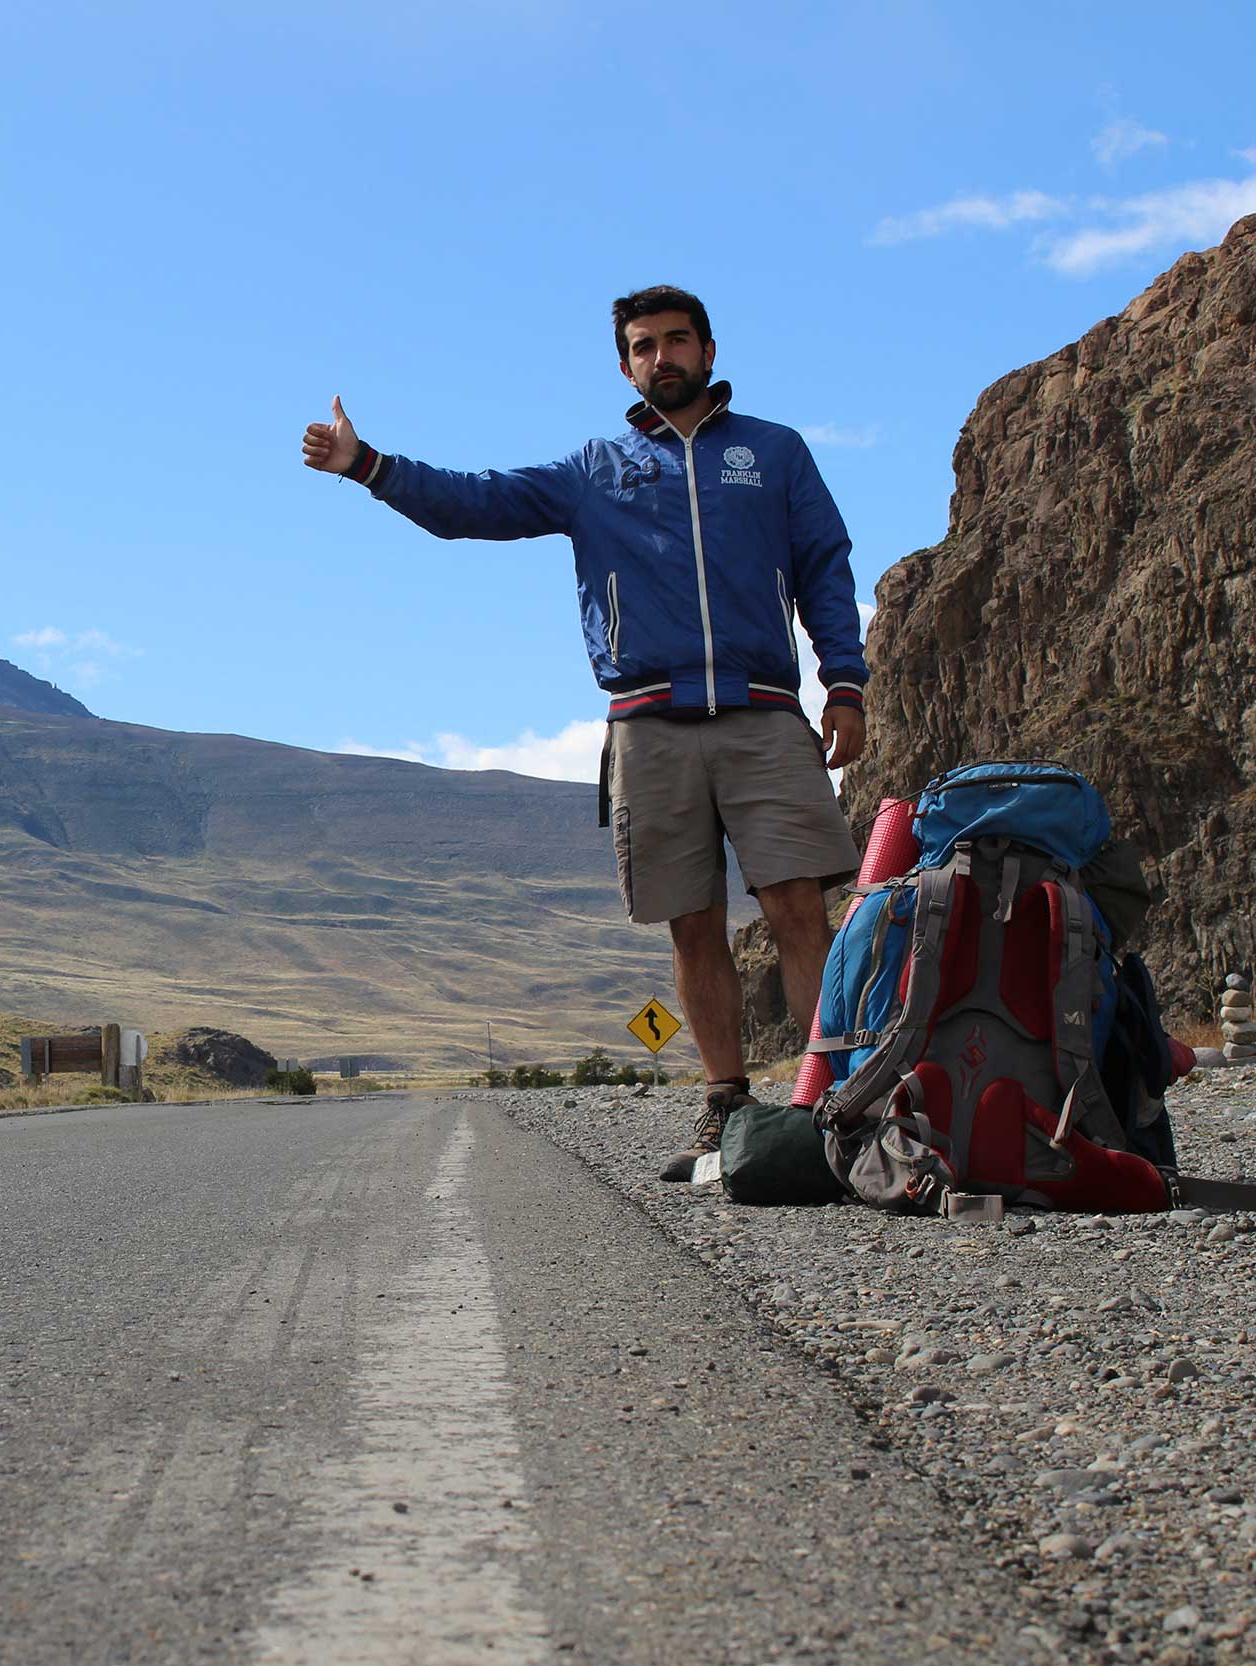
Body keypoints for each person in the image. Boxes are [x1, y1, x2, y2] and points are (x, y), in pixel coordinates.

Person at [301, 284, 868, 1179]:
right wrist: (367, 465)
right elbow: (475, 504)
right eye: (643, 346)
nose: (661, 357)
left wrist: (845, 683)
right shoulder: (594, 470)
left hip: (763, 712)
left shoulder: (774, 452)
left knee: (799, 908)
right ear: (625, 366)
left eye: (676, 340)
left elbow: (824, 567)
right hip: (648, 723)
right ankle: (726, 1105)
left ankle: (838, 1105)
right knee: (692, 924)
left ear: (709, 351)